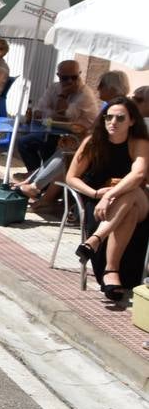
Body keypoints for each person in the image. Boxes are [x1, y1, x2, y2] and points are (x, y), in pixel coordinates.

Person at [67, 96, 149, 302]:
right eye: (108, 117)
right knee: (127, 209)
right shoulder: (93, 142)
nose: (113, 122)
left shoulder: (139, 142)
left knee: (131, 191)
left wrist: (110, 194)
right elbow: (71, 177)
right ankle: (111, 271)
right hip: (95, 201)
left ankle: (95, 240)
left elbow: (138, 175)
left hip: (134, 201)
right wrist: (96, 194)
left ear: (132, 121)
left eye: (120, 118)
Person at [18, 68, 126, 208]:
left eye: (101, 85)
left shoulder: (117, 106)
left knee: (66, 156)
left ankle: (36, 187)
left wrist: (78, 139)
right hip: (93, 146)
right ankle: (34, 186)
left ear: (111, 88)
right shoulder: (110, 104)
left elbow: (98, 132)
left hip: (105, 155)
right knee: (64, 152)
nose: (98, 89)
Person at [17, 60, 99, 176]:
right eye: (65, 78)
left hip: (78, 137)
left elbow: (65, 116)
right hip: (55, 132)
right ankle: (35, 175)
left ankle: (41, 181)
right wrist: (52, 113)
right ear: (58, 76)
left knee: (49, 144)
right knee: (23, 142)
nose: (70, 81)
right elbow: (38, 111)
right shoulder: (54, 88)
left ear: (79, 74)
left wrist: (63, 95)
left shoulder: (85, 94)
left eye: (74, 77)